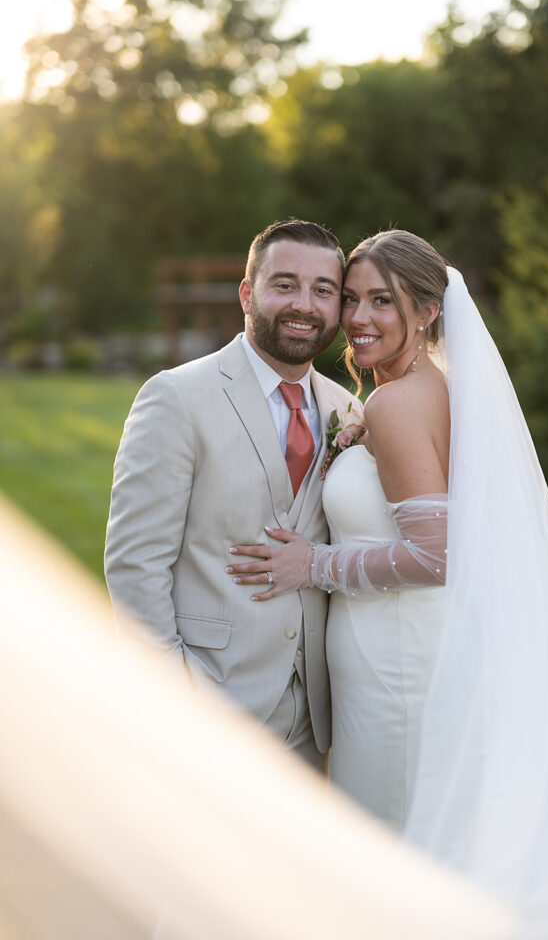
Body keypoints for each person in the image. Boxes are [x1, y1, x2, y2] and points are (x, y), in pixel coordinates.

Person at [229, 229, 548, 939]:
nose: (358, 317)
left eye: (384, 301)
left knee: (399, 845)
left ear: (429, 309)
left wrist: (313, 565)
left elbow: (434, 555)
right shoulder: (431, 392)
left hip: (398, 668)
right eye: (351, 298)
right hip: (410, 653)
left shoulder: (397, 404)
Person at [105, 219, 360, 771]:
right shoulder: (177, 397)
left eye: (324, 291)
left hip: (318, 724)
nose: (305, 305)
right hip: (208, 708)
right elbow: (134, 564)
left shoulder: (349, 410)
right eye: (285, 284)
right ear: (248, 294)